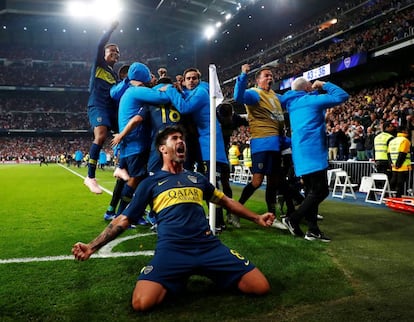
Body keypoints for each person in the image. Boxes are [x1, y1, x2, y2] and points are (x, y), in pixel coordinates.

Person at [72, 126, 275, 312]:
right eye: (174, 138)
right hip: (172, 249)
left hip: (207, 246)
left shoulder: (197, 179)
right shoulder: (150, 183)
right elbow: (122, 220)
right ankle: (177, 277)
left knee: (260, 286)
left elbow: (227, 202)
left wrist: (256, 218)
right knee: (142, 303)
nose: (181, 141)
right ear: (163, 149)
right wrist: (92, 246)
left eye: (182, 138)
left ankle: (209, 273)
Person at [279, 77, 349, 242]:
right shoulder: (311, 100)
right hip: (313, 151)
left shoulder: (292, 103)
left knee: (312, 192)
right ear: (307, 88)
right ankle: (293, 218)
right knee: (321, 191)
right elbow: (342, 96)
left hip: (300, 152)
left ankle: (313, 230)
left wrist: (313, 89)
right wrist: (324, 85)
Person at [164, 67, 230, 231]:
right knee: (209, 182)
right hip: (206, 143)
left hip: (211, 143)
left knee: (211, 184)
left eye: (194, 78)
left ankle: (218, 221)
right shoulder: (197, 91)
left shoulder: (201, 92)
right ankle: (219, 217)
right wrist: (179, 86)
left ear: (199, 80)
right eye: (188, 79)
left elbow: (184, 107)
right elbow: (185, 97)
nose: (191, 81)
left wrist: (171, 90)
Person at [232, 64, 286, 230]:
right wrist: (243, 76)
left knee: (273, 182)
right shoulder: (255, 94)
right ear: (258, 80)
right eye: (266, 75)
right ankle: (235, 211)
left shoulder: (276, 97)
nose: (270, 78)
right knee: (257, 181)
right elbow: (238, 97)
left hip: (275, 144)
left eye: (271, 76)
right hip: (262, 143)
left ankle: (272, 216)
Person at [84, 21, 120, 194]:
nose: (115, 53)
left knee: (124, 134)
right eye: (111, 50)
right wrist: (110, 29)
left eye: (117, 52)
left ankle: (121, 166)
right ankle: (90, 177)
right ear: (104, 54)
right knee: (101, 135)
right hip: (97, 105)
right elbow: (99, 44)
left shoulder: (115, 76)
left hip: (111, 110)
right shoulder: (99, 65)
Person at [388, 126, 411, 197]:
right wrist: (398, 164)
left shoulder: (392, 141)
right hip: (403, 166)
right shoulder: (405, 140)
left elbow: (388, 153)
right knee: (400, 183)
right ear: (403, 131)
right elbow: (402, 153)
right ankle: (398, 197)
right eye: (406, 130)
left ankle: (391, 195)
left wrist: (391, 163)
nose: (407, 132)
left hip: (394, 166)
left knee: (394, 181)